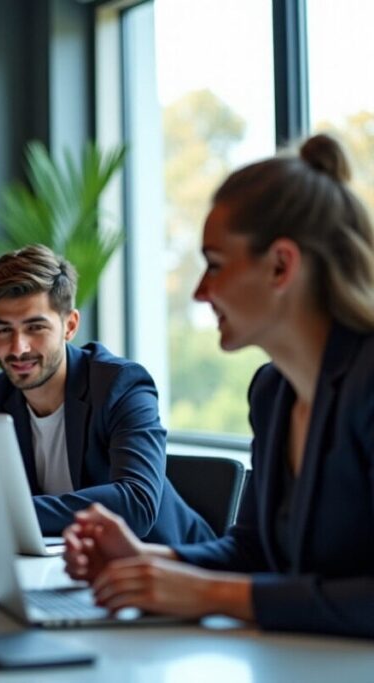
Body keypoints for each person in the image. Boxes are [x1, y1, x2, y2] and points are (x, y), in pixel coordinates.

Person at [62, 134, 374, 639]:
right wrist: (147, 560)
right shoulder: (274, 393)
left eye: (215, 263)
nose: (200, 291)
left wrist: (201, 592)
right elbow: (251, 551)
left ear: (281, 266)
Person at [0, 245, 213, 543]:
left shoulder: (121, 385)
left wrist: (7, 512)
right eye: (4, 330)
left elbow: (136, 503)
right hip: (63, 566)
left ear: (69, 326)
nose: (19, 347)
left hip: (171, 565)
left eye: (35, 327)